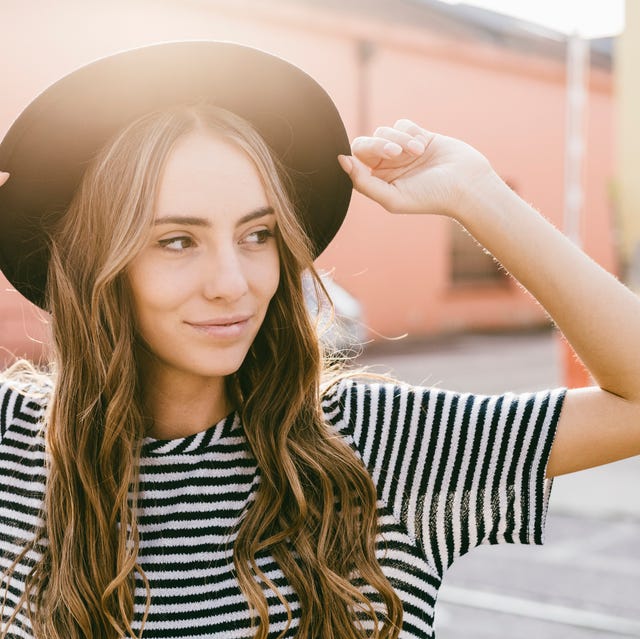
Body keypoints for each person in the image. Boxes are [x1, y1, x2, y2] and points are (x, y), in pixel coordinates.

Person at [0, 41, 638, 639]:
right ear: (94, 261)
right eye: (177, 241)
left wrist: (479, 196)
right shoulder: (15, 444)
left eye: (259, 234)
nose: (234, 283)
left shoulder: (376, 442)